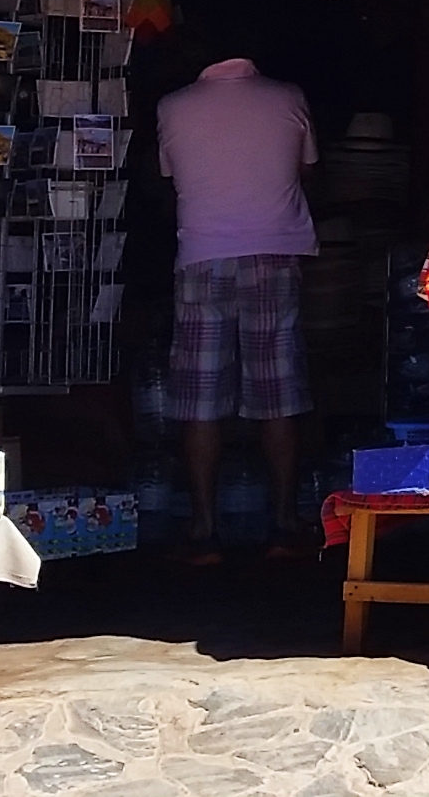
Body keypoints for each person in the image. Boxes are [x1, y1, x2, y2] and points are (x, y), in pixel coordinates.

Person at [156, 40, 319, 564]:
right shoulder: (288, 96)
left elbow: (167, 177)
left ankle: (205, 532)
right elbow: (307, 168)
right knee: (278, 390)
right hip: (274, 252)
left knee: (201, 396)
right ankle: (284, 525)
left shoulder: (173, 106)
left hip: (203, 256)